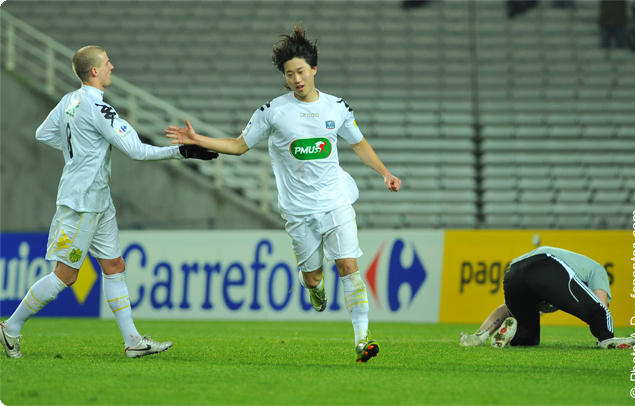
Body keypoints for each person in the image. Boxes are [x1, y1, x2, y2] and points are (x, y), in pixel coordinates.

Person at [165, 24, 401, 363]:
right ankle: (315, 289)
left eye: (301, 71)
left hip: (336, 200)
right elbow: (239, 145)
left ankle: (362, 341)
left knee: (349, 266)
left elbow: (359, 144)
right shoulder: (272, 111)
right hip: (298, 210)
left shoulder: (337, 107)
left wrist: (385, 173)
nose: (296, 79)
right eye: (290, 74)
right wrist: (198, 139)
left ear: (314, 68)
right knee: (313, 277)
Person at [0, 46, 217, 359]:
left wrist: (80, 150)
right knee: (66, 275)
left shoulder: (68, 100)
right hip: (82, 203)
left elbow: (43, 133)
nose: (112, 67)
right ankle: (10, 327)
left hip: (99, 200)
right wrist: (181, 151)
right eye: (107, 63)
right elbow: (137, 151)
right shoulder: (99, 108)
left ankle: (133, 341)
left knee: (114, 266)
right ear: (94, 71)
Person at [459, 246, 635, 349]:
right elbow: (600, 305)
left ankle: (505, 335)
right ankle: (608, 340)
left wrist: (480, 335)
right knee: (596, 311)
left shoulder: (558, 285)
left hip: (513, 272)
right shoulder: (596, 270)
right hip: (546, 262)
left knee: (528, 337)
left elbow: (505, 309)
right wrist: (604, 334)